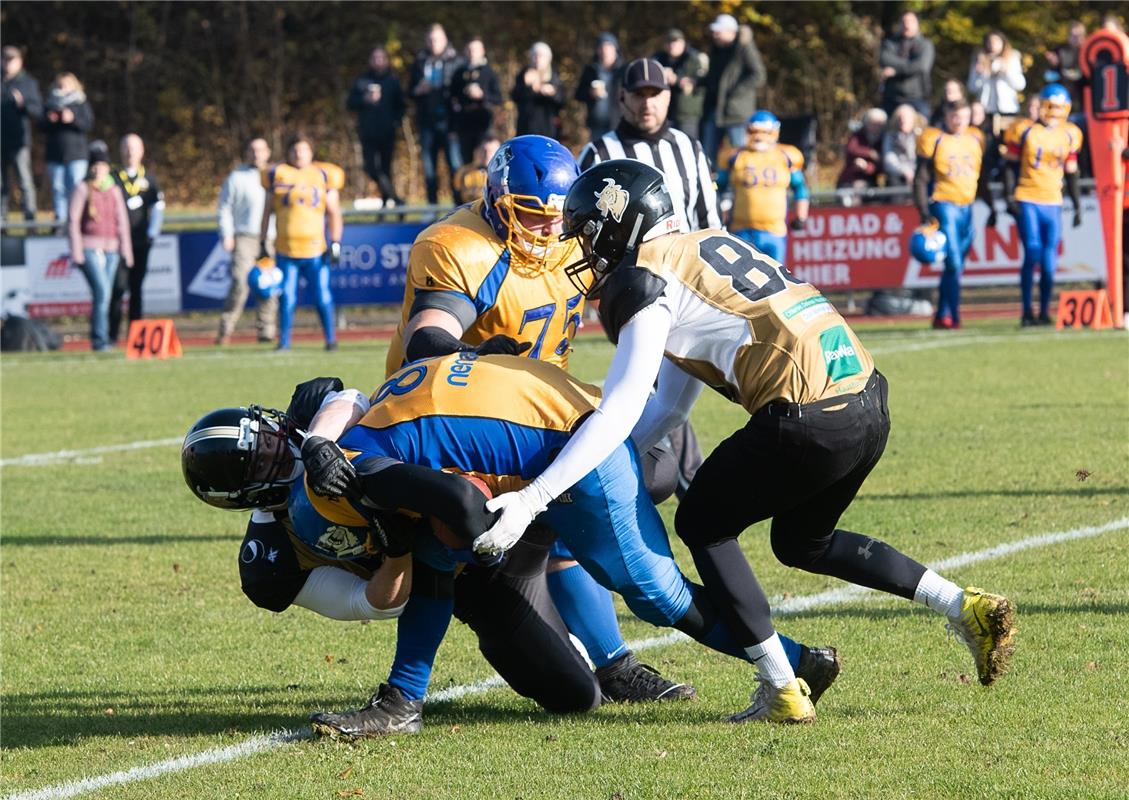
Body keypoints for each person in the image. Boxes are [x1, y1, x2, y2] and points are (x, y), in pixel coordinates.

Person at [476, 159, 1017, 723]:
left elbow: (619, 409)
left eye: (589, 233)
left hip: (810, 412)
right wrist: (613, 466)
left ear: (620, 223)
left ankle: (781, 686)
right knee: (803, 542)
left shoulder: (645, 276)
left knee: (703, 524)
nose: (586, 250)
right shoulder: (701, 245)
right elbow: (671, 405)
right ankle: (961, 604)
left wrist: (535, 496)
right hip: (868, 401)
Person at [297, 353, 840, 736]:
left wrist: (402, 533)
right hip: (570, 415)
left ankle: (795, 661)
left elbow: (462, 506)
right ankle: (403, 699)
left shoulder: (362, 472)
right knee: (437, 555)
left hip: (585, 451)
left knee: (659, 595)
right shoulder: (378, 404)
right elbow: (350, 397)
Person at [381, 134, 703, 704]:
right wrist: (475, 357)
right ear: (498, 201)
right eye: (530, 214)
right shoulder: (458, 244)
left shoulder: (571, 239)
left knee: (649, 465)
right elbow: (427, 339)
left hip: (539, 427)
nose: (548, 231)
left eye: (557, 218)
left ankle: (615, 660)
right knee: (570, 696)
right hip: (468, 437)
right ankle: (411, 684)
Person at [180, 395, 608, 730]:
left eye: (270, 436)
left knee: (575, 512)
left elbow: (348, 395)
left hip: (497, 511)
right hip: (474, 584)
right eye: (263, 459)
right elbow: (375, 604)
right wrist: (394, 549)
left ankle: (618, 660)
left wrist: (317, 442)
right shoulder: (271, 559)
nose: (279, 449)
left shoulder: (311, 427)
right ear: (245, 496)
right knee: (574, 695)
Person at [579, 58, 720, 233]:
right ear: (622, 96)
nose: (647, 104)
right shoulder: (598, 153)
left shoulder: (691, 148)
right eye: (639, 94)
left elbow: (711, 223)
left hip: (685, 258)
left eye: (655, 94)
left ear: (668, 96)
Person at [1002, 84, 1083, 326]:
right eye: (1051, 106)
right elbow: (1009, 165)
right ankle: (1027, 310)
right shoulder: (1024, 130)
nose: (1055, 111)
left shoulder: (1070, 133)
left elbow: (1071, 172)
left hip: (1053, 201)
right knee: (1032, 252)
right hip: (1028, 196)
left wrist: (1077, 204)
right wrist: (1009, 196)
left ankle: (1045, 311)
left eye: (1059, 107)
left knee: (1049, 261)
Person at [261, 134, 343, 350]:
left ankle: (330, 340)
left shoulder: (323, 174)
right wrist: (262, 241)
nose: (299, 154)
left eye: (303, 150)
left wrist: (335, 242)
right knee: (287, 298)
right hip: (285, 249)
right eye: (295, 150)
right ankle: (284, 342)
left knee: (323, 296)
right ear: (288, 153)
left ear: (311, 152)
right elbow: (266, 212)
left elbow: (334, 212)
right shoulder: (277, 174)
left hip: (316, 249)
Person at [914, 99, 991, 330]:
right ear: (946, 116)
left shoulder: (976, 138)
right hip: (944, 204)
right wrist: (923, 211)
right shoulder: (935, 139)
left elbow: (982, 176)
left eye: (963, 116)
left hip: (967, 207)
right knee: (954, 263)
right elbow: (921, 177)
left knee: (955, 267)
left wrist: (992, 206)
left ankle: (942, 314)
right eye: (954, 116)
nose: (959, 121)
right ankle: (953, 317)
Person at [718, 110, 810, 263]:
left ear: (774, 132)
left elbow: (800, 188)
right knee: (742, 282)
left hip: (774, 231)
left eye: (764, 132)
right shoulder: (734, 156)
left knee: (776, 282)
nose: (759, 136)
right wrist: (719, 212)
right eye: (754, 131)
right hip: (741, 229)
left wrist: (801, 216)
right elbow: (716, 187)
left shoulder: (786, 156)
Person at [67, 141, 132, 351]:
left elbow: (122, 222)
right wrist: (77, 252)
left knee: (106, 295)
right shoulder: (82, 188)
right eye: (94, 165)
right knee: (102, 292)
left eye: (102, 165)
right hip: (89, 248)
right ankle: (99, 340)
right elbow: (73, 221)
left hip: (111, 249)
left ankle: (105, 338)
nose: (98, 169)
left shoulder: (113, 190)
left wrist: (126, 251)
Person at [217, 137, 277, 345]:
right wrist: (227, 234)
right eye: (252, 150)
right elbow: (224, 207)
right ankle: (226, 329)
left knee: (268, 286)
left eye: (261, 150)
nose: (257, 154)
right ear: (247, 152)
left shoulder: (275, 175)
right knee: (239, 283)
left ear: (268, 152)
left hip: (269, 238)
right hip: (245, 236)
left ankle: (266, 330)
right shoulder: (236, 177)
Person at [108, 133, 164, 343]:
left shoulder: (149, 178)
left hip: (140, 242)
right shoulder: (112, 177)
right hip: (117, 244)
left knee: (136, 289)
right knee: (117, 289)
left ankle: (136, 338)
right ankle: (111, 336)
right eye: (126, 147)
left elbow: (158, 207)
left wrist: (152, 233)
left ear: (142, 151)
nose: (130, 152)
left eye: (134, 147)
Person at [701, 14, 766, 166]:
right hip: (715, 110)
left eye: (719, 31)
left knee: (741, 154)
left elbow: (759, 75)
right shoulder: (716, 50)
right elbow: (713, 78)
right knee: (708, 154)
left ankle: (740, 188)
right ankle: (711, 186)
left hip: (737, 113)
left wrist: (735, 94)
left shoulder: (744, 48)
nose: (714, 34)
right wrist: (696, 82)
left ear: (731, 32)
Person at [409, 24, 463, 205]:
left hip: (449, 122)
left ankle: (459, 205)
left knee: (455, 166)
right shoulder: (419, 62)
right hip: (427, 123)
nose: (434, 43)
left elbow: (460, 91)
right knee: (429, 168)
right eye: (430, 40)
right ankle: (431, 205)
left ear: (445, 40)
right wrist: (418, 90)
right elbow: (409, 92)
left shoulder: (456, 61)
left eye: (437, 39)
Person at [347, 46, 405, 207]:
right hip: (367, 132)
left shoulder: (392, 81)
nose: (378, 61)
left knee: (386, 169)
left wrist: (395, 122)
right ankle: (396, 199)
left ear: (386, 60)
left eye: (381, 58)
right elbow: (350, 103)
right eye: (375, 58)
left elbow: (401, 105)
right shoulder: (362, 81)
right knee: (371, 168)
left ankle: (387, 203)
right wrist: (364, 99)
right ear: (370, 60)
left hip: (387, 132)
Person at [42, 71, 93, 221]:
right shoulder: (50, 104)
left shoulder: (80, 103)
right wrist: (49, 120)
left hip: (76, 155)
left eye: (66, 84)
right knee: (58, 189)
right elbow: (41, 126)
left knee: (76, 189)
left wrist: (72, 119)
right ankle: (61, 222)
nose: (63, 87)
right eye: (60, 85)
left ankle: (77, 220)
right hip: (55, 155)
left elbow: (88, 124)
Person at [1, 46, 41, 220]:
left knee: (24, 181)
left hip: (19, 142)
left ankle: (30, 219)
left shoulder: (27, 83)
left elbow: (37, 111)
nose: (8, 63)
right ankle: (1, 221)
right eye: (5, 59)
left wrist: (23, 105)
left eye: (12, 60)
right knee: (2, 184)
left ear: (20, 61)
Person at [449, 37, 502, 167]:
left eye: (475, 49)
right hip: (464, 124)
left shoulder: (489, 72)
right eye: (469, 49)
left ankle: (488, 187)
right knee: (464, 162)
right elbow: (451, 97)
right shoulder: (459, 73)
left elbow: (498, 99)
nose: (472, 52)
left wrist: (482, 95)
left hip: (484, 124)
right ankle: (468, 187)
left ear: (482, 51)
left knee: (486, 162)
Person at [967, 30, 1026, 140]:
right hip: (985, 110)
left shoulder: (1012, 58)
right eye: (990, 42)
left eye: (996, 42)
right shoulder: (980, 59)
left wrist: (1007, 71)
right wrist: (981, 73)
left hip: (1008, 110)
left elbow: (1020, 85)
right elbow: (972, 87)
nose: (992, 45)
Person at [653, 29, 709, 142]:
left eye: (675, 42)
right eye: (669, 42)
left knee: (688, 146)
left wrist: (676, 80)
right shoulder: (659, 58)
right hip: (666, 114)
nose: (672, 45)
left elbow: (701, 81)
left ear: (683, 43)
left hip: (688, 114)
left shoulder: (693, 58)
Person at [879, 11, 934, 116]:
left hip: (917, 98)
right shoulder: (889, 43)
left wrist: (895, 71)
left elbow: (921, 66)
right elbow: (885, 60)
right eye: (904, 21)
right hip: (892, 98)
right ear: (899, 24)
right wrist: (911, 64)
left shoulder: (926, 44)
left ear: (917, 24)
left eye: (911, 21)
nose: (907, 24)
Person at [575, 32, 624, 142]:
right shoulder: (590, 70)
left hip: (619, 125)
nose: (605, 51)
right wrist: (590, 93)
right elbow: (578, 94)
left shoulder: (623, 71)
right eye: (601, 47)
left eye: (608, 47)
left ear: (615, 49)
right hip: (596, 126)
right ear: (597, 50)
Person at [512, 42, 564, 139]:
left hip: (548, 130)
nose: (537, 59)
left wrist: (551, 93)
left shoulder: (554, 76)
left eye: (541, 56)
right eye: (534, 56)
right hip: (526, 128)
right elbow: (515, 96)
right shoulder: (524, 74)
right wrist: (528, 87)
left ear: (549, 58)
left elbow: (561, 101)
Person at [836, 108, 887, 192]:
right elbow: (851, 149)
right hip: (849, 178)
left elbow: (882, 165)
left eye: (879, 124)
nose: (876, 127)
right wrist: (869, 153)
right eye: (872, 123)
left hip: (869, 180)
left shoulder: (884, 140)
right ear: (866, 123)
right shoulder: (858, 135)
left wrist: (866, 167)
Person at [450, 133, 499, 205]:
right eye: (484, 151)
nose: (487, 155)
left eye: (491, 151)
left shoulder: (503, 174)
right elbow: (457, 198)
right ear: (477, 151)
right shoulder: (464, 172)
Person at [883, 104, 922, 187]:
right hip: (898, 174)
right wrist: (905, 171)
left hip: (918, 173)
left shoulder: (921, 136)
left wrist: (914, 171)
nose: (903, 121)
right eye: (900, 119)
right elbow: (889, 158)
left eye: (906, 118)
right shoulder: (891, 137)